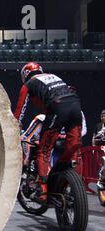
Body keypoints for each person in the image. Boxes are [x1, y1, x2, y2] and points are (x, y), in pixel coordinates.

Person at [14, 62, 83, 203]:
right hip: (76, 106)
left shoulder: (29, 83)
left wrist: (14, 127)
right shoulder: (54, 76)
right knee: (74, 146)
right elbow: (70, 90)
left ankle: (43, 190)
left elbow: (20, 110)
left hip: (57, 108)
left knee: (43, 151)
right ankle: (66, 178)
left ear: (25, 75)